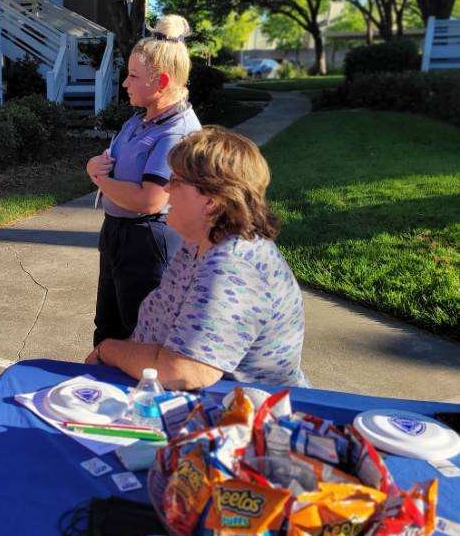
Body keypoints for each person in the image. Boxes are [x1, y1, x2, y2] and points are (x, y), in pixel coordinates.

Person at [85, 126, 308, 389]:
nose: (166, 188)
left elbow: (184, 371)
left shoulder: (233, 267)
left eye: (176, 181)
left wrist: (108, 350)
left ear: (212, 201)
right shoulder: (199, 243)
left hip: (235, 415)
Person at [87, 14, 202, 347]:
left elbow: (149, 199)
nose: (125, 83)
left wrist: (97, 178)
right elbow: (113, 161)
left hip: (148, 242)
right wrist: (97, 164)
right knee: (108, 328)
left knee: (142, 337)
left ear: (162, 82)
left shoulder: (176, 131)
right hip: (119, 234)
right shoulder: (142, 120)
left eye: (133, 76)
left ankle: (137, 399)